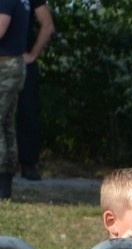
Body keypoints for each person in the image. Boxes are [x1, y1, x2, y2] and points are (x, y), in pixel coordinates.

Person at [13, 0, 47, 183]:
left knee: (28, 112)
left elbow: (47, 25)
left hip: (22, 62)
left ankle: (28, 164)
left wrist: (33, 54)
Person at [0, 0, 28, 199]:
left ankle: (3, 180)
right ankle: (5, 183)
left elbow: (0, 28)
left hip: (5, 66)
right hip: (13, 64)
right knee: (7, 123)